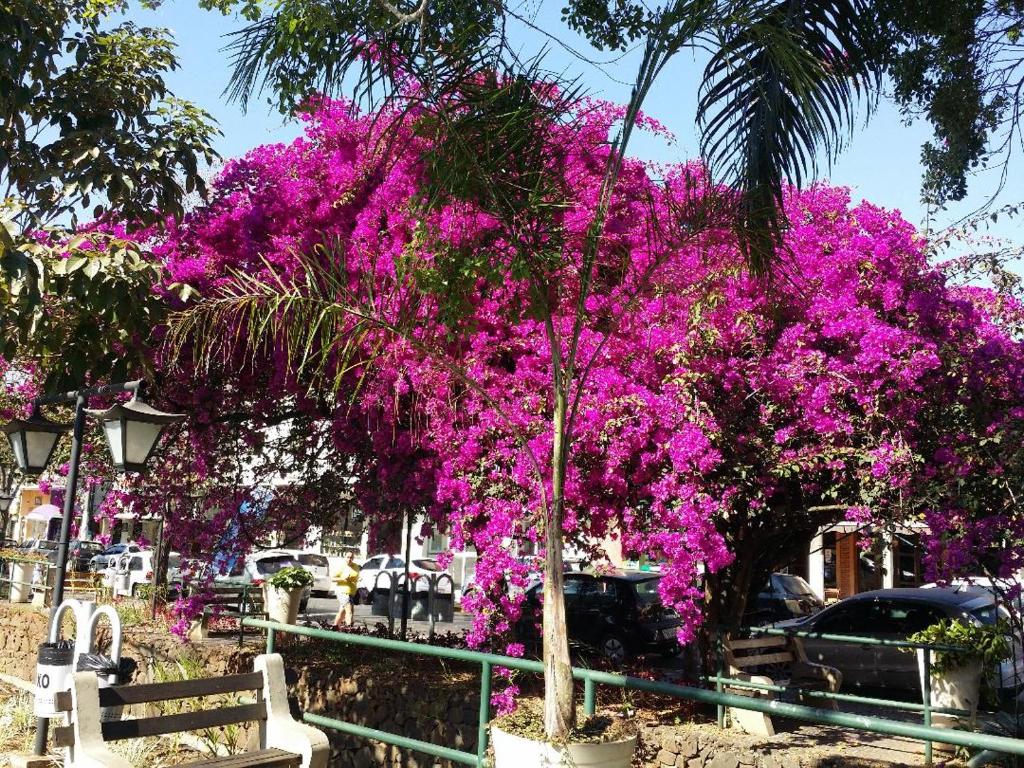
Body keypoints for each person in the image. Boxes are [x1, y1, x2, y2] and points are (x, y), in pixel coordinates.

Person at [331, 550, 360, 629]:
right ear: (345, 557)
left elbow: (356, 577)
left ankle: (334, 627)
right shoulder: (341, 566)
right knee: (349, 609)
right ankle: (349, 629)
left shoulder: (356, 566)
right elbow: (333, 578)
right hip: (343, 591)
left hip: (352, 592)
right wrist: (343, 579)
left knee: (342, 611)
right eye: (348, 557)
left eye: (351, 557)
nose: (349, 559)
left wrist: (358, 579)